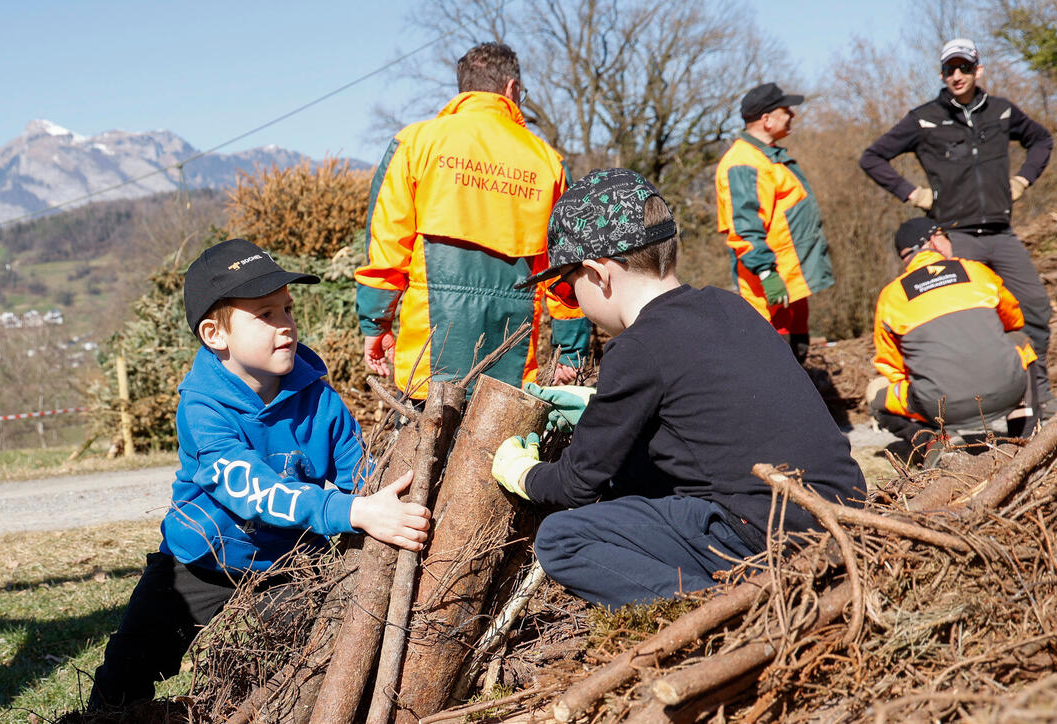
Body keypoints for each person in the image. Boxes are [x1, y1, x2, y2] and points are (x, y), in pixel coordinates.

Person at [489, 169, 865, 609]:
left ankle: (719, 610)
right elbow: (703, 408)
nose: (572, 305)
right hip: (839, 516)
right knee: (632, 474)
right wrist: (598, 405)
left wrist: (522, 473)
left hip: (763, 536)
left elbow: (575, 485)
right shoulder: (730, 307)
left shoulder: (637, 347)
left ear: (598, 274)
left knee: (561, 539)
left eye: (568, 292)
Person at [88, 239, 430, 710]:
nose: (286, 325)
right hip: (200, 561)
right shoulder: (202, 407)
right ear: (215, 334)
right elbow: (252, 489)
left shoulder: (317, 397)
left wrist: (383, 501)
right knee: (127, 666)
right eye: (265, 314)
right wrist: (352, 511)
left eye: (287, 309)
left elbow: (363, 472)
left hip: (290, 564)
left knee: (297, 662)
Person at [355, 41, 590, 400]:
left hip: (428, 362)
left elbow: (386, 247)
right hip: (509, 372)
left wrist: (376, 323)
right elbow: (566, 273)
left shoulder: (415, 144)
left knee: (423, 452)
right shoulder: (548, 162)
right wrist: (571, 351)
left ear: (464, 88)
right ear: (511, 88)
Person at [860, 38, 1054, 409]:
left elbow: (1042, 140)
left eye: (964, 67)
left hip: (1001, 232)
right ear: (942, 74)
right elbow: (872, 157)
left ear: (977, 70)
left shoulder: (1001, 111)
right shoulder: (924, 117)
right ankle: (978, 401)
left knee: (1033, 308)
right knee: (966, 317)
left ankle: (1036, 398)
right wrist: (914, 194)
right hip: (957, 238)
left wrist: (1023, 180)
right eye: (950, 69)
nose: (957, 75)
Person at [867, 218, 1039, 463]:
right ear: (935, 240)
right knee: (1022, 343)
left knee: (877, 402)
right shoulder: (974, 270)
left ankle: (927, 442)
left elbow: (891, 366)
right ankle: (1025, 439)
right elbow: (1013, 321)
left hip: (938, 407)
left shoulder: (891, 296)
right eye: (946, 237)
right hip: (1006, 392)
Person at [715, 82, 835, 363]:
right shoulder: (743, 163)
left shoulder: (768, 157)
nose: (792, 114)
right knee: (771, 361)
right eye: (786, 110)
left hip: (790, 283)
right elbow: (744, 228)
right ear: (766, 119)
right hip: (770, 288)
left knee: (794, 359)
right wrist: (767, 274)